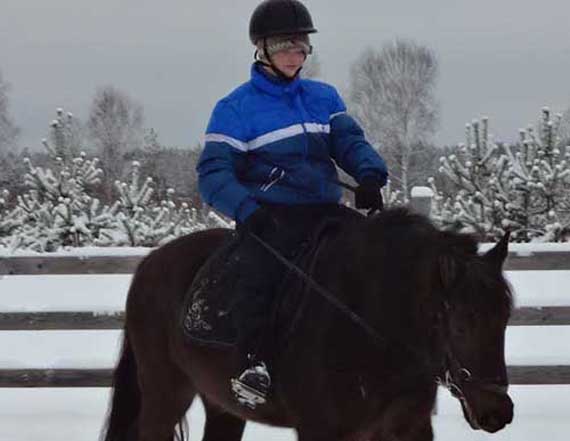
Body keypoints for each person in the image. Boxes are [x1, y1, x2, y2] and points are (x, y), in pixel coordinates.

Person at [197, 0, 388, 408]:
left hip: (326, 209)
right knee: (261, 275)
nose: (295, 55)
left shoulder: (323, 97)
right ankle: (254, 363)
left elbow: (348, 142)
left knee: (379, 260)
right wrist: (247, 211)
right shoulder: (235, 109)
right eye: (286, 46)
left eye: (301, 47)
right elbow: (213, 173)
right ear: (262, 49)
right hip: (271, 216)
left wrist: (369, 174)